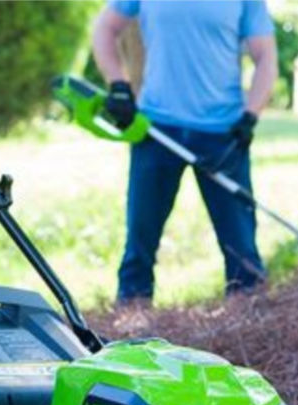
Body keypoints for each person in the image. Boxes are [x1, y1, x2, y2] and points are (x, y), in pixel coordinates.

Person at [92, 0, 277, 303]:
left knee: (242, 250)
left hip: (224, 135)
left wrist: (250, 115)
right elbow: (105, 28)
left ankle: (251, 327)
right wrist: (119, 85)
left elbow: (266, 56)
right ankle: (129, 323)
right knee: (139, 244)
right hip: (157, 130)